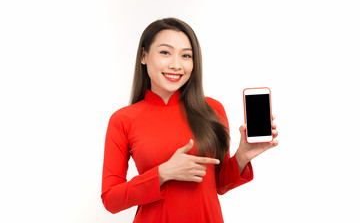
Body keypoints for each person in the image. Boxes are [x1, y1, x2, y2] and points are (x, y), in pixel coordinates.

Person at [101, 18, 279, 222]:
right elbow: (110, 199)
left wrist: (243, 156)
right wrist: (162, 173)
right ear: (144, 56)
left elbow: (219, 184)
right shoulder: (123, 119)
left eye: (186, 55)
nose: (176, 65)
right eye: (165, 52)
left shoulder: (212, 109)